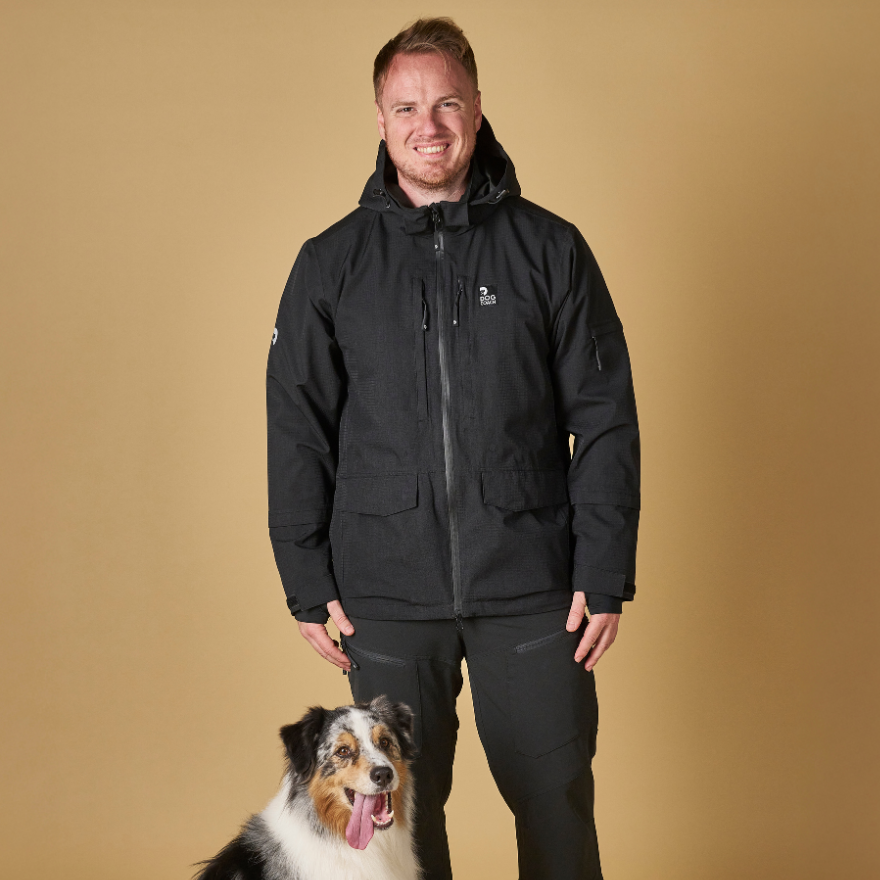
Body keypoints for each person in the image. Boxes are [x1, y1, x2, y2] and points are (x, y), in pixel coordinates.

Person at [266, 17, 639, 880]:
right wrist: (305, 577)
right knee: (397, 816)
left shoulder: (551, 249)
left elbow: (606, 415)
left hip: (534, 585)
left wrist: (604, 566)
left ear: (476, 108)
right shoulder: (330, 263)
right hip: (385, 588)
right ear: (380, 118)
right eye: (406, 108)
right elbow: (296, 424)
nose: (427, 125)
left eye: (446, 104)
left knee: (554, 797)